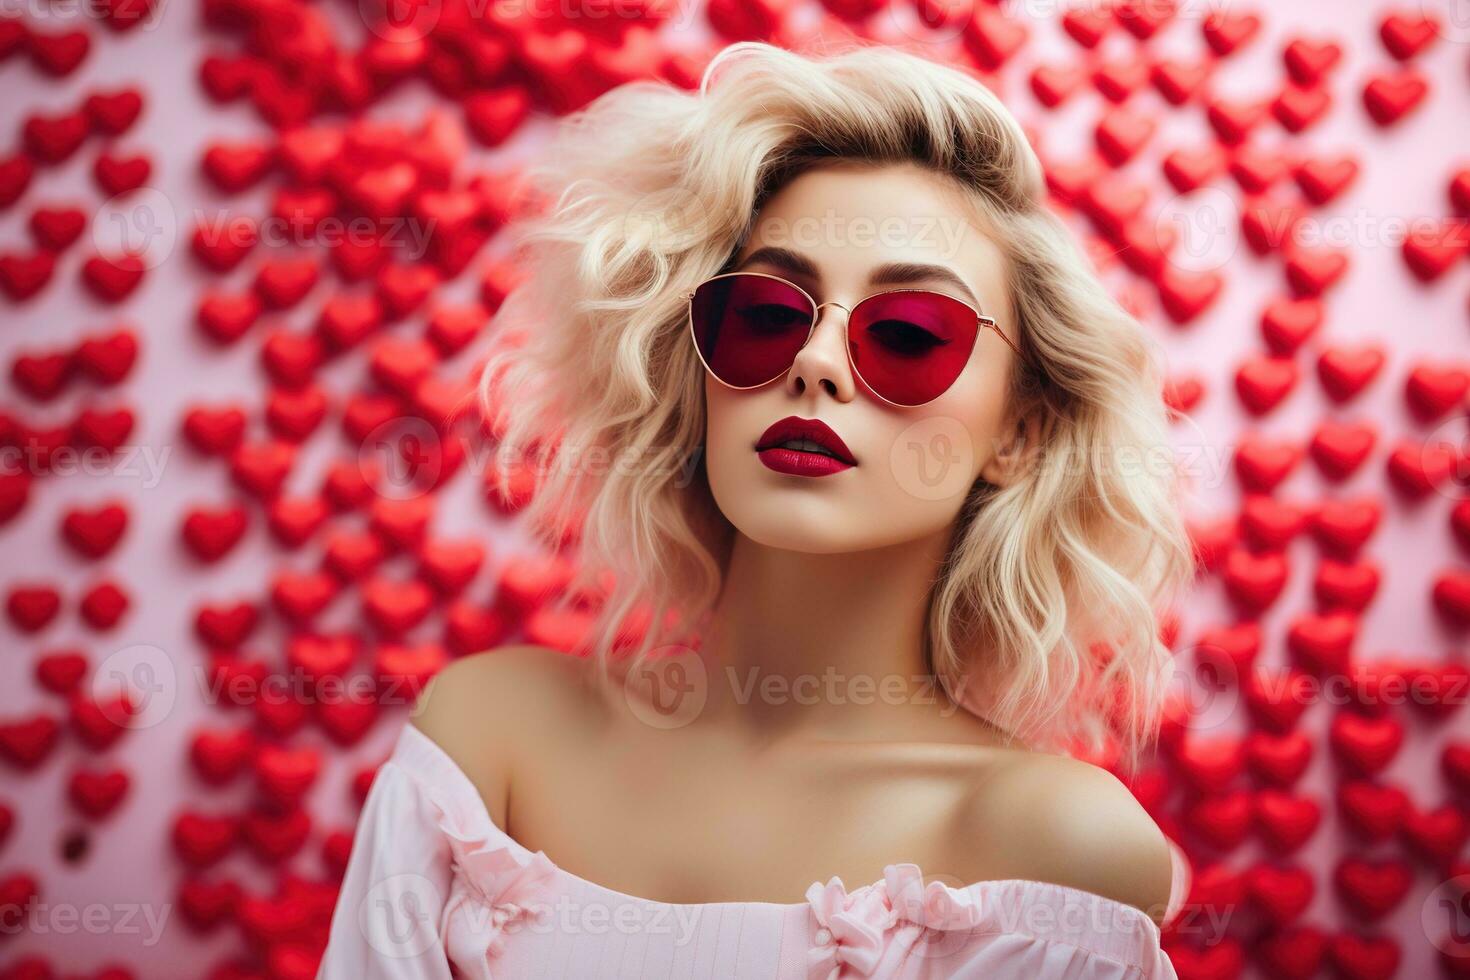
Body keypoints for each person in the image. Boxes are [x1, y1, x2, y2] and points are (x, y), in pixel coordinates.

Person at [319, 38, 1196, 979]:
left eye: (906, 335)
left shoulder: (1050, 846)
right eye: (768, 315)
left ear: (1021, 428)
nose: (814, 363)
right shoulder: (490, 740)